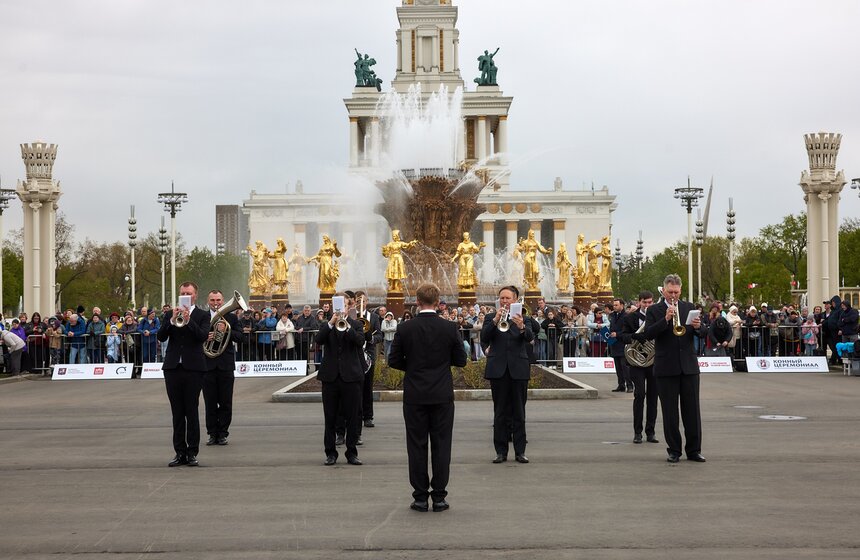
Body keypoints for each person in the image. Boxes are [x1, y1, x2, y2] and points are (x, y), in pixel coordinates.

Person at [388, 283, 468, 513]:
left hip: (415, 394)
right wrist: (441, 366)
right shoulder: (449, 327)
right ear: (438, 301)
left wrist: (413, 368)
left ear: (417, 302)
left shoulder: (406, 329)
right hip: (442, 394)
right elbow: (461, 360)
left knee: (416, 446)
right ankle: (440, 497)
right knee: (442, 446)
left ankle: (420, 497)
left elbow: (393, 360)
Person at [643, 274, 707, 463]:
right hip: (666, 367)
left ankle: (694, 450)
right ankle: (674, 450)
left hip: (688, 367)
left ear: (680, 291)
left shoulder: (688, 307)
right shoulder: (654, 310)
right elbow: (648, 333)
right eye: (670, 292)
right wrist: (665, 319)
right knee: (670, 411)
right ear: (663, 290)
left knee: (692, 411)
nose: (673, 296)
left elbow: (704, 333)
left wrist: (698, 327)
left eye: (676, 292)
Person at [157, 282, 211, 467]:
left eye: (188, 293)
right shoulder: (169, 313)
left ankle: (192, 452)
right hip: (173, 367)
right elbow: (161, 336)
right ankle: (179, 452)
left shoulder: (202, 315)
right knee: (177, 412)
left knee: (191, 410)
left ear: (195, 295)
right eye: (182, 293)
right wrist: (172, 320)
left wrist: (188, 320)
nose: (185, 295)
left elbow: (202, 336)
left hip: (194, 368)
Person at [481, 285, 533, 464]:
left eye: (508, 298)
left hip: (518, 368)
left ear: (515, 300)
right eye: (502, 298)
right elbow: (484, 337)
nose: (504, 301)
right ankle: (500, 452)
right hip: (498, 369)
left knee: (519, 412)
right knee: (500, 412)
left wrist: (521, 327)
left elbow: (530, 338)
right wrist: (495, 320)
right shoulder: (490, 317)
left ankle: (520, 452)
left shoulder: (523, 317)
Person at [316, 292, 365, 466]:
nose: (340, 308)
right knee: (330, 417)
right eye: (337, 305)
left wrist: (347, 326)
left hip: (350, 377)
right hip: (330, 377)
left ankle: (352, 453)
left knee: (352, 417)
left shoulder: (356, 324)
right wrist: (331, 322)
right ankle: (330, 453)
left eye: (343, 305)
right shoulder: (326, 325)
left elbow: (360, 342)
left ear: (349, 306)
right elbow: (318, 340)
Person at [202, 290, 242, 447]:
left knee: (226, 402)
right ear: (208, 301)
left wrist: (226, 331)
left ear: (223, 300)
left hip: (225, 365)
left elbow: (240, 337)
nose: (215, 303)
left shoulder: (231, 318)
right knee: (210, 402)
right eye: (212, 300)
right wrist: (206, 335)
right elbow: (195, 336)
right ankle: (212, 434)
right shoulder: (203, 317)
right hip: (207, 365)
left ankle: (223, 433)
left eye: (218, 299)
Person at [620, 291, 660, 444]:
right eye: (645, 302)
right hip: (636, 363)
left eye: (650, 302)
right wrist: (634, 336)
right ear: (639, 303)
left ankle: (651, 432)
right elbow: (622, 336)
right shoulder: (630, 318)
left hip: (653, 362)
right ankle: (638, 432)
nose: (648, 305)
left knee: (653, 397)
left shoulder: (657, 316)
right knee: (640, 395)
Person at [607, 298, 632, 392]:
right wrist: (609, 334)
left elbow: (627, 330)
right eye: (614, 305)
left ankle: (630, 385)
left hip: (623, 344)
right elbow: (612, 327)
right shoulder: (612, 315)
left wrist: (617, 334)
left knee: (625, 367)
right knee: (617, 367)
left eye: (616, 305)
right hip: (614, 344)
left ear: (622, 305)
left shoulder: (626, 316)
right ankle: (621, 385)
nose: (614, 307)